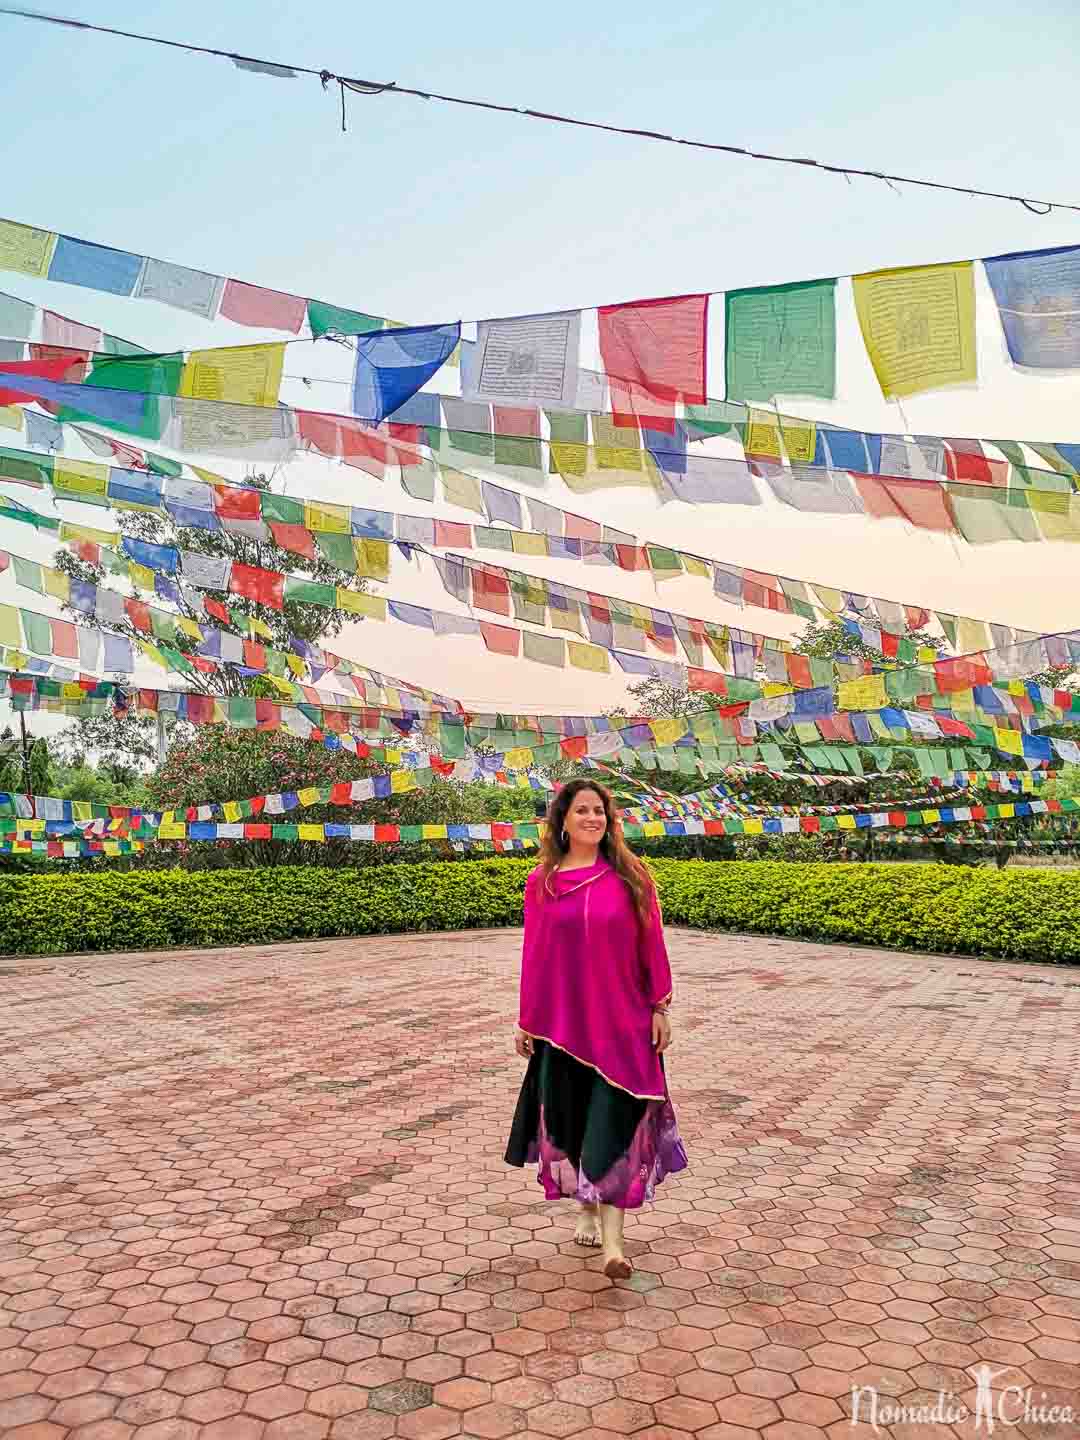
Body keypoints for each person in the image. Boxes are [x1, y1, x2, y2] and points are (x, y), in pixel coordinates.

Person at [505, 778, 688, 1279]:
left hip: (621, 1023)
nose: (592, 818)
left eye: (600, 811)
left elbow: (652, 944)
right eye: (582, 810)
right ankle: (583, 1205)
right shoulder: (542, 881)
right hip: (562, 1025)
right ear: (562, 820)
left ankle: (614, 1247)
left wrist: (658, 1008)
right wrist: (528, 1019)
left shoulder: (630, 876)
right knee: (570, 1123)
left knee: (614, 1125)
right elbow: (535, 954)